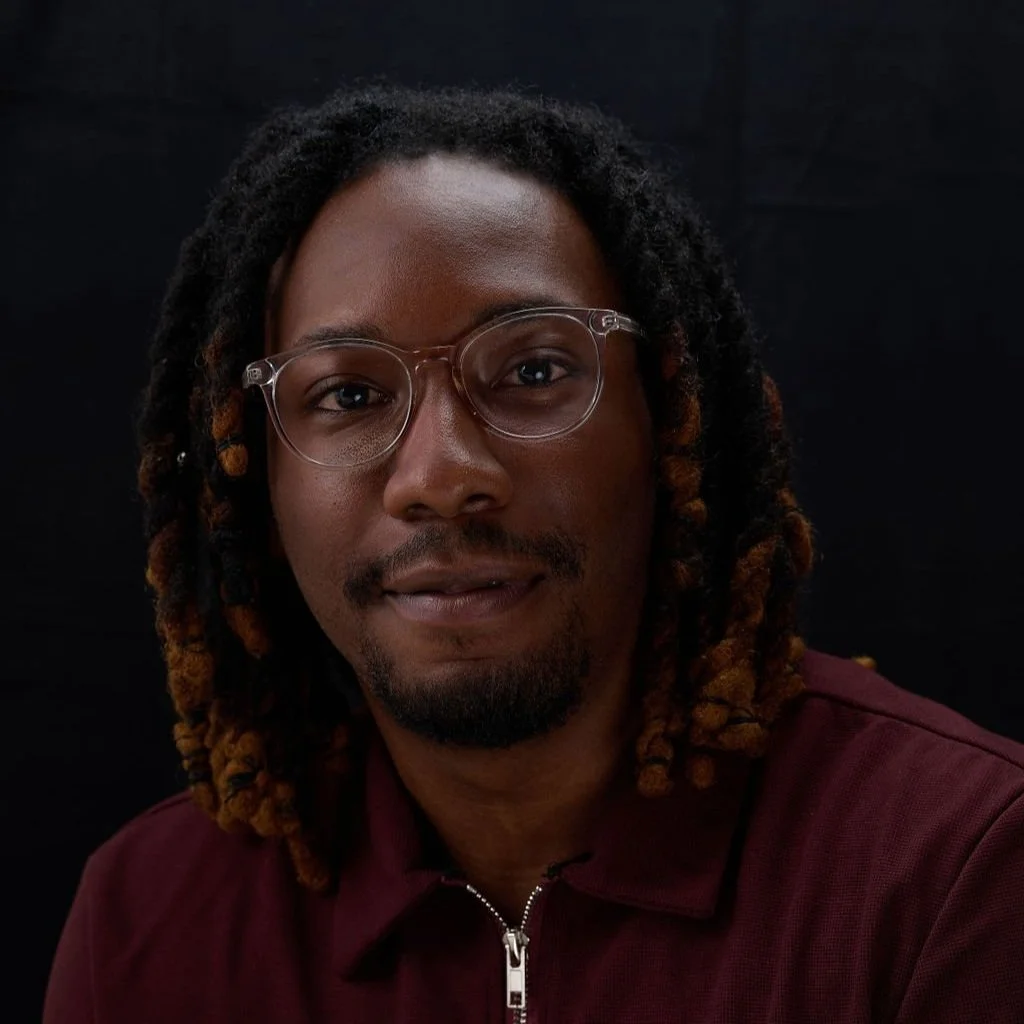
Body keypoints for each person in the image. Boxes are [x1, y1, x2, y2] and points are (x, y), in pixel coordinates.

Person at [44, 84, 1024, 1024]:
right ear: (255, 476)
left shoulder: (957, 872)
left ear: (671, 420)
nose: (440, 476)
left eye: (533, 368)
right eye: (347, 394)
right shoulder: (147, 928)